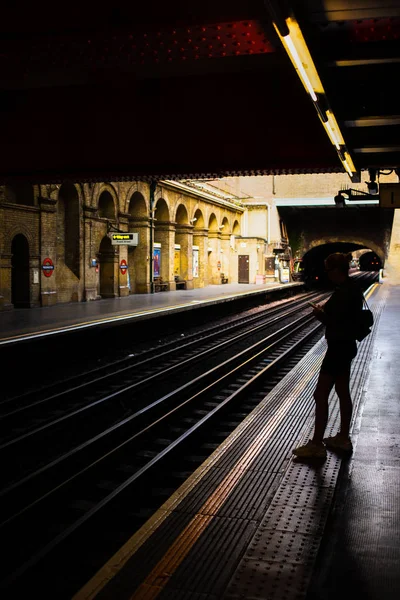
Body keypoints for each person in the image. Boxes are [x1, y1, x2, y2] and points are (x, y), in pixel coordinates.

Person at [293, 252, 364, 459]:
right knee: (343, 391)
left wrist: (319, 315)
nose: (327, 274)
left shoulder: (343, 293)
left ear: (335, 270)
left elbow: (336, 323)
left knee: (320, 394)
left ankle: (316, 445)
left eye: (328, 270)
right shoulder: (351, 288)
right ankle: (343, 437)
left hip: (338, 349)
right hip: (347, 346)